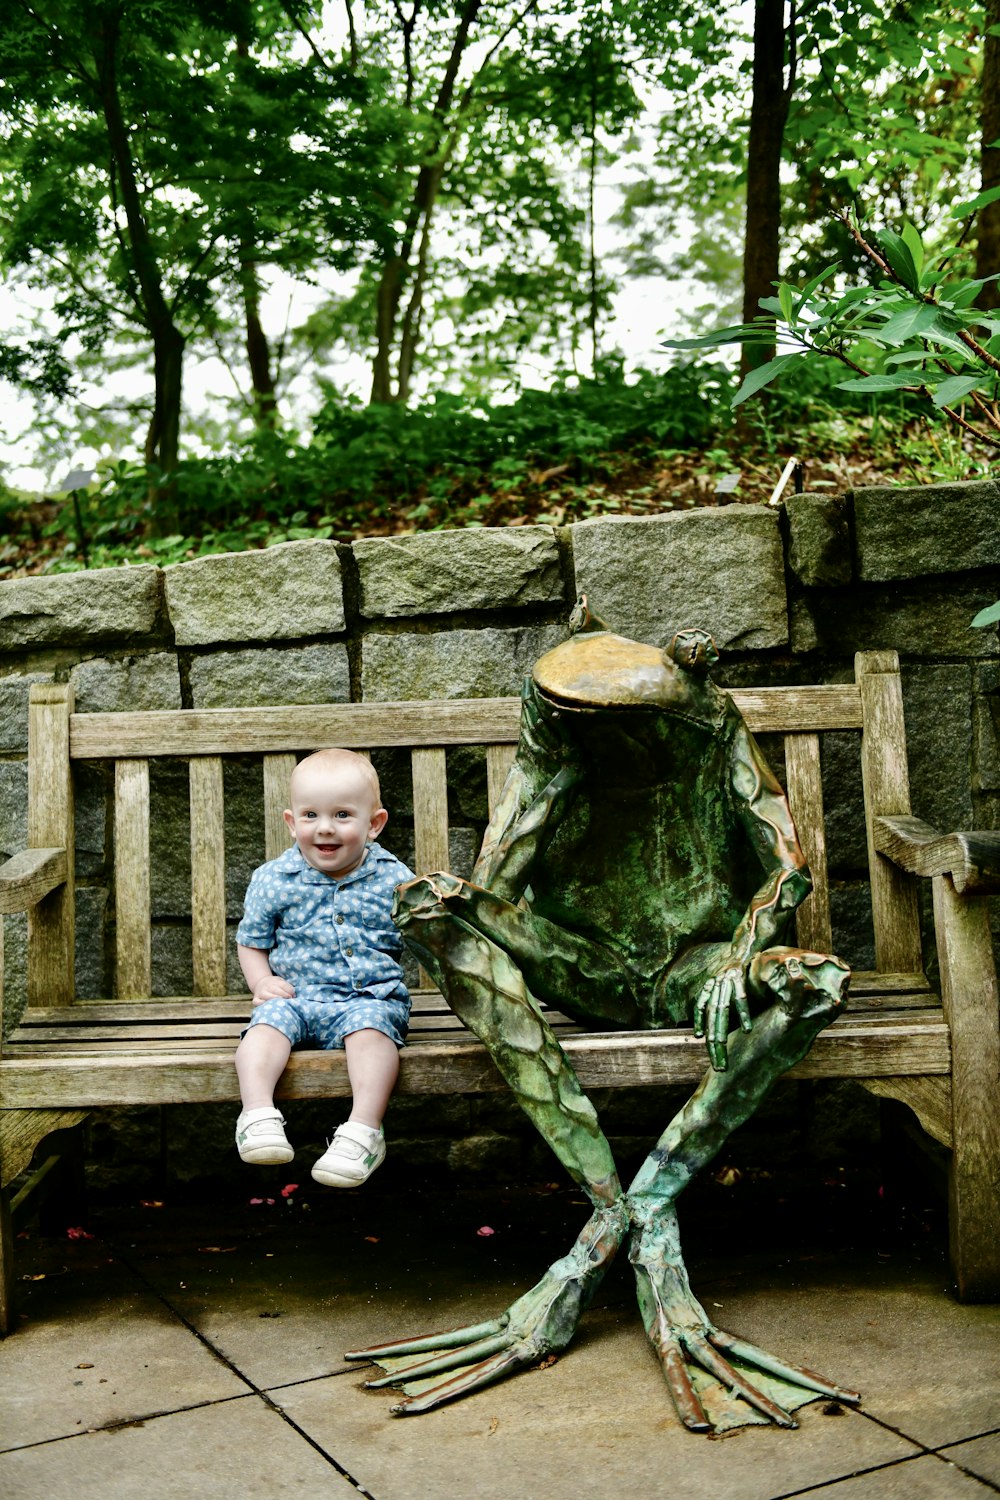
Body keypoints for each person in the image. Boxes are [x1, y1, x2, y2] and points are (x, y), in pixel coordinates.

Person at [233, 748, 414, 1187]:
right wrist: (262, 982)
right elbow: (250, 942)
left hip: (367, 999)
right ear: (292, 822)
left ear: (374, 825)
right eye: (311, 815)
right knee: (263, 1028)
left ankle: (364, 1130)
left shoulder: (395, 880)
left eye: (342, 815)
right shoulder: (274, 879)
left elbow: (422, 938)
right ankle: (256, 1113)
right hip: (296, 998)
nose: (325, 828)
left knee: (372, 1031)